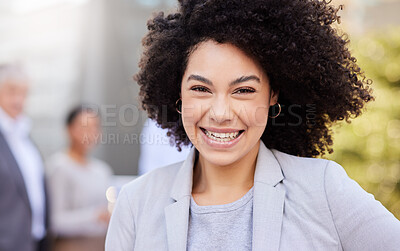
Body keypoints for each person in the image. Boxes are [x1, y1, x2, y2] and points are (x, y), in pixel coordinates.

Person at [106, 0, 400, 250]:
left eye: (243, 90)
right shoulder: (135, 203)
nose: (220, 113)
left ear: (273, 95)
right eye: (201, 89)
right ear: (177, 92)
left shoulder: (323, 189)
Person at [46, 105, 113, 251]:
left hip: (100, 245)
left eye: (95, 127)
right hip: (71, 246)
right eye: (84, 127)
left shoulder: (102, 170)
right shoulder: (59, 167)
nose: (90, 133)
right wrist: (95, 217)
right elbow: (55, 221)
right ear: (69, 129)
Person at [0, 64, 50, 251]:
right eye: (12, 91)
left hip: (33, 241)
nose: (18, 99)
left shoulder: (25, 136)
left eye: (24, 93)